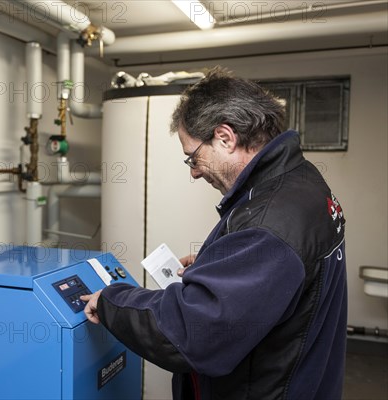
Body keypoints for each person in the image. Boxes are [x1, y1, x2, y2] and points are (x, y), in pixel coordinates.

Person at [80, 68, 347, 400]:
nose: (193, 172)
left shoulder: (269, 223)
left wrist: (112, 300)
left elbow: (193, 333)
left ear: (225, 137)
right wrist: (221, 264)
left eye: (193, 157)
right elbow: (280, 281)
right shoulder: (302, 180)